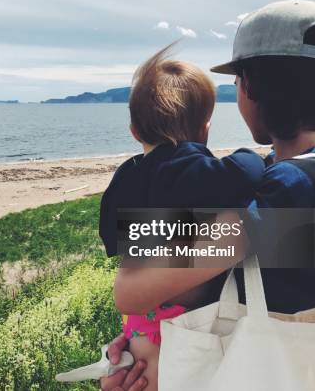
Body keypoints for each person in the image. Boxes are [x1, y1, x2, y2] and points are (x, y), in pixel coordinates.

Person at [101, 0, 315, 391]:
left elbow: (131, 290)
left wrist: (146, 336)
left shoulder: (298, 187)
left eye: (237, 81)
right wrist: (157, 342)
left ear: (255, 85)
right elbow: (235, 280)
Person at [92, 49, 265, 390]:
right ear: (205, 128)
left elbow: (112, 237)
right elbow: (248, 171)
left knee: (143, 375)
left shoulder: (125, 177)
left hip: (140, 327)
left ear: (133, 131)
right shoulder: (199, 170)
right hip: (192, 322)